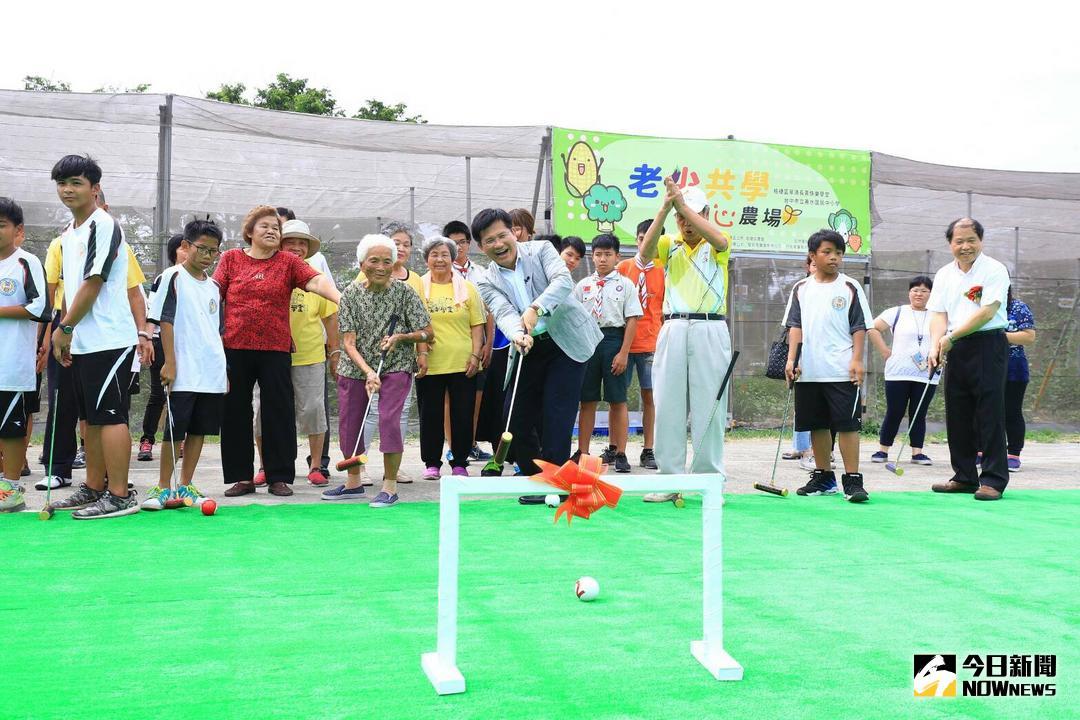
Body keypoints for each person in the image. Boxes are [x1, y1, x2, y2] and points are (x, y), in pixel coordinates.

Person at [214, 205, 341, 498]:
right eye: (265, 226)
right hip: (234, 347)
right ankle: (241, 477)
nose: (272, 231)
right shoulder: (231, 258)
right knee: (235, 412)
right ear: (249, 232)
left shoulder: (288, 262)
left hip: (276, 349)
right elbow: (213, 293)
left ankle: (279, 477)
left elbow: (316, 280)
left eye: (275, 227)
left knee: (278, 412)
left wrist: (340, 297)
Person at [473, 208, 602, 481]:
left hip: (565, 344)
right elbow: (503, 312)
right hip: (527, 346)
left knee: (557, 414)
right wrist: (517, 334)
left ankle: (554, 482)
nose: (498, 244)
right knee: (514, 417)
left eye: (502, 235)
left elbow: (563, 281)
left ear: (514, 232)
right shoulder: (485, 280)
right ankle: (535, 476)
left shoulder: (541, 250)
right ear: (481, 247)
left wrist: (536, 308)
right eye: (489, 241)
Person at [46, 155, 140, 519]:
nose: (67, 190)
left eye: (76, 183)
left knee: (111, 416)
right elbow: (72, 287)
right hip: (84, 340)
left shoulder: (104, 224)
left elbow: (94, 281)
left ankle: (120, 495)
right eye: (62, 183)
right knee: (92, 418)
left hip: (110, 339)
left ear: (95, 188)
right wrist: (68, 332)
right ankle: (94, 487)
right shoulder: (69, 233)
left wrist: (64, 327)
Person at [637, 178, 732, 502]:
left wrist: (682, 206)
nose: (685, 222)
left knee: (710, 408)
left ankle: (709, 483)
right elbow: (644, 254)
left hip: (710, 327)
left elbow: (719, 239)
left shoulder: (718, 242)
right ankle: (669, 479)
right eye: (681, 216)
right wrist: (666, 207)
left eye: (692, 214)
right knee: (668, 405)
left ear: (705, 213)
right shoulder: (669, 244)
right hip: (674, 326)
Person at [323, 234, 432, 507]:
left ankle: (389, 486)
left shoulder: (405, 293)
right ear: (362, 264)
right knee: (350, 424)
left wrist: (402, 337)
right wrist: (368, 372)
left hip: (396, 364)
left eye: (387, 261)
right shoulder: (350, 294)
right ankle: (353, 482)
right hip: (355, 366)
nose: (381, 267)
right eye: (374, 261)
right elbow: (348, 343)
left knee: (389, 420)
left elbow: (427, 333)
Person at [143, 220, 225, 510]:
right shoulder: (173, 276)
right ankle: (163, 487)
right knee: (175, 429)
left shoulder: (215, 286)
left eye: (213, 251)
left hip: (211, 368)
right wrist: (170, 363)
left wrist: (223, 369)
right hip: (183, 368)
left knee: (200, 429)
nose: (208, 256)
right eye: (202, 249)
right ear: (186, 246)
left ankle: (185, 484)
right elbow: (165, 320)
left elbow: (217, 330)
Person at [784, 229, 872, 503]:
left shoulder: (850, 286)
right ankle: (824, 478)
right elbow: (795, 326)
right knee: (817, 425)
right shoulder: (801, 288)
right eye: (827, 252)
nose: (834, 257)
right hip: (808, 371)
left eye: (839, 253)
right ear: (812, 255)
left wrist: (857, 360)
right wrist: (792, 360)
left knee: (847, 425)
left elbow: (859, 327)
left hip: (841, 370)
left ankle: (853, 481)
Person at [927, 218, 1011, 501]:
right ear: (950, 243)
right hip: (955, 347)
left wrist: (951, 337)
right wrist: (936, 345)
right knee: (958, 412)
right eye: (959, 241)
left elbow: (987, 312)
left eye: (971, 240)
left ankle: (993, 480)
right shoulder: (943, 274)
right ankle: (964, 476)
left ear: (981, 241)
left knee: (989, 412)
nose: (965, 246)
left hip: (988, 343)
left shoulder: (994, 269)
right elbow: (938, 313)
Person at [273, 219, 339, 486]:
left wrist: (335, 352)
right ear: (280, 245)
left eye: (302, 243)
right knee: (265, 413)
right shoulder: (269, 272)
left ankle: (316, 466)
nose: (297, 247)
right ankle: (267, 465)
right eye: (290, 242)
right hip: (271, 355)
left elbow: (330, 317)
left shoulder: (315, 277)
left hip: (310, 354)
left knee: (313, 410)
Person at [415, 236, 485, 478]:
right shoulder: (418, 287)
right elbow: (414, 324)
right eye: (434, 254)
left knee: (462, 415)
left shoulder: (468, 288)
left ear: (453, 258)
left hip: (462, 362)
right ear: (426, 259)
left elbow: (477, 325)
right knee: (430, 415)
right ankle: (431, 463)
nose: (440, 259)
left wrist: (475, 355)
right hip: (429, 362)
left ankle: (460, 463)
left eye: (445, 254)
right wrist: (421, 352)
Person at [358, 221, 422, 483]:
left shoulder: (414, 280)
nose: (401, 248)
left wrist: (421, 353)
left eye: (406, 244)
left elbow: (421, 322)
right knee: (372, 411)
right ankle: (359, 466)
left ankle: (393, 469)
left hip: (402, 360)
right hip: (371, 360)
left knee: (399, 414)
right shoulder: (365, 275)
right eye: (397, 243)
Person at [573, 234, 642, 472]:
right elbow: (574, 318)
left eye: (608, 254)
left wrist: (624, 353)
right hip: (588, 342)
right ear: (592, 257)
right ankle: (582, 452)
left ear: (617, 257)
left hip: (614, 341)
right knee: (587, 400)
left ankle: (620, 453)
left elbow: (632, 320)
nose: (602, 259)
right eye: (598, 254)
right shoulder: (583, 285)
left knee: (617, 399)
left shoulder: (626, 285)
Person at [0, 198, 48, 513]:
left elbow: (40, 307)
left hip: (12, 363)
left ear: (18, 231)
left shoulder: (26, 262)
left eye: (1, 225)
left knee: (11, 428)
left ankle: (12, 487)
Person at [867, 276, 941, 466]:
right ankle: (883, 450)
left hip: (927, 373)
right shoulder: (897, 312)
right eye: (915, 290)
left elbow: (946, 338)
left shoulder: (938, 316)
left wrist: (942, 356)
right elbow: (872, 328)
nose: (919, 294)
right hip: (898, 372)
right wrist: (885, 351)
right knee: (895, 411)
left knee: (919, 412)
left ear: (931, 294)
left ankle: (917, 452)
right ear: (909, 292)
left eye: (924, 291)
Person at [616, 219, 666, 469]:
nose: (646, 244)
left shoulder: (664, 271)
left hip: (651, 344)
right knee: (618, 398)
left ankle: (648, 449)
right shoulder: (622, 268)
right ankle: (616, 449)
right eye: (641, 239)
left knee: (650, 397)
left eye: (652, 240)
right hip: (624, 345)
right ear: (636, 240)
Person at [444, 220, 494, 462]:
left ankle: (470, 443)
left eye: (463, 242)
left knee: (476, 397)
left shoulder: (481, 272)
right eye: (454, 243)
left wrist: (488, 344)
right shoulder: (441, 273)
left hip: (477, 343)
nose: (459, 247)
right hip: (450, 345)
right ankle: (451, 445)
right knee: (449, 399)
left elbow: (490, 310)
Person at [137, 234, 187, 462]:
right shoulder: (164, 277)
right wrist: (147, 338)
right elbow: (153, 311)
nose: (187, 252)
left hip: (185, 345)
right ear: (174, 252)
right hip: (160, 342)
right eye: (182, 248)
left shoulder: (202, 281)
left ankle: (178, 439)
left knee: (182, 395)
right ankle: (147, 440)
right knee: (158, 394)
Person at [1003, 287, 1036, 472]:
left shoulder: (1018, 307)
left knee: (1011, 411)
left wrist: (999, 337)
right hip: (984, 366)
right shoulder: (978, 307)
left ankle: (1013, 454)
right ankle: (983, 451)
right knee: (983, 410)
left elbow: (1029, 337)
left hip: (1013, 369)